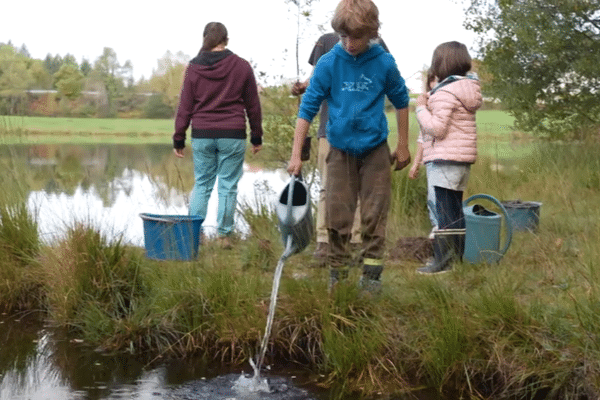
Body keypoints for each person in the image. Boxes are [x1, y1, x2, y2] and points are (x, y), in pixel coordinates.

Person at [287, 0, 411, 292]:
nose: (349, 43)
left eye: (355, 37)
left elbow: (402, 101)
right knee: (337, 215)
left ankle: (371, 279)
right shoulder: (330, 62)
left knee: (374, 214)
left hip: (375, 150)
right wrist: (296, 155)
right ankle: (338, 278)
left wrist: (403, 145)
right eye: (343, 37)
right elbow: (307, 109)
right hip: (339, 149)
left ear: (372, 33)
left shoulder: (384, 62)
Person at [292, 32, 390, 266]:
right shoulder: (326, 41)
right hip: (331, 129)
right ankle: (325, 242)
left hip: (368, 134)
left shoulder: (377, 41)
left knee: (363, 191)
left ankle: (356, 242)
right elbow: (317, 77)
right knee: (329, 188)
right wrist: (303, 87)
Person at [173, 22, 263, 250]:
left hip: (202, 133)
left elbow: (185, 105)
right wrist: (256, 136)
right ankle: (224, 237)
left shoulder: (194, 68)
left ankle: (195, 234)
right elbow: (253, 105)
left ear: (205, 39)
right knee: (228, 186)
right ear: (227, 40)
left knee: (202, 183)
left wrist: (179, 137)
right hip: (232, 134)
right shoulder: (242, 66)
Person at [414, 41, 482, 274]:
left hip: (445, 159)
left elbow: (437, 129)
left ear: (440, 65)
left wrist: (421, 108)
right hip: (461, 160)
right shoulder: (467, 89)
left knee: (444, 214)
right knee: (455, 212)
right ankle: (456, 261)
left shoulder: (444, 93)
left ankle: (442, 263)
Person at [409, 72, 438, 239]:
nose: (435, 83)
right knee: (432, 197)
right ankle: (437, 232)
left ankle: (441, 234)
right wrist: (416, 163)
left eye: (438, 79)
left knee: (439, 197)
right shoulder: (423, 104)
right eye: (432, 80)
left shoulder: (445, 102)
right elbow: (422, 137)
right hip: (429, 159)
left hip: (443, 156)